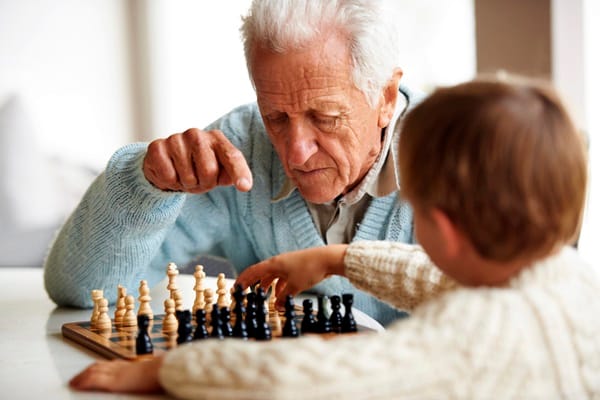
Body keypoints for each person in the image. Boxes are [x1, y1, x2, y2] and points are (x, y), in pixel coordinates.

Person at [69, 77, 600, 398]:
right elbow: (436, 279)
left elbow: (303, 381)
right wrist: (341, 259)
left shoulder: (466, 341)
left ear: (442, 228)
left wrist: (172, 369)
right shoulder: (567, 280)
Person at [43, 0, 418, 326]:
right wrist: (143, 186)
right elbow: (80, 290)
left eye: (324, 117)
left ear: (385, 97)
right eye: (276, 118)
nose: (295, 153)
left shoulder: (458, 160)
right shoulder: (241, 146)